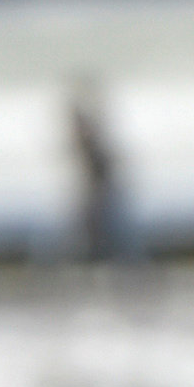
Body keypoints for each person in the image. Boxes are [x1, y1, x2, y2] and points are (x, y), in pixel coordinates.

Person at [65, 78, 131, 265]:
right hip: (97, 184)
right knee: (96, 222)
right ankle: (97, 256)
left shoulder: (88, 136)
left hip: (99, 185)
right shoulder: (87, 137)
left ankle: (98, 256)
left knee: (98, 222)